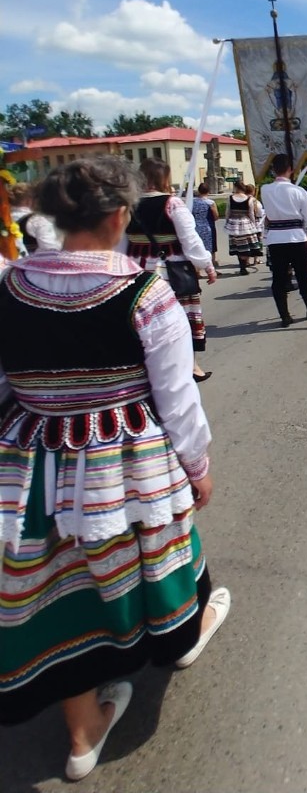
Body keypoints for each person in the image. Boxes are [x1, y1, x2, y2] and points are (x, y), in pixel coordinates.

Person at [0, 156, 229, 782]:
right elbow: (178, 397)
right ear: (122, 213)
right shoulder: (144, 293)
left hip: (31, 461)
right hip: (121, 459)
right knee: (158, 547)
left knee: (54, 580)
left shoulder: (9, 285)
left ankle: (81, 734)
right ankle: (182, 633)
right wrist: (197, 464)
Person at [125, 158, 216, 384]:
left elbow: (120, 241)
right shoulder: (172, 204)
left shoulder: (128, 204)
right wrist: (207, 264)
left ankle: (148, 365)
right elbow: (190, 240)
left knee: (143, 318)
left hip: (136, 268)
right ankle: (190, 366)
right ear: (164, 178)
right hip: (169, 269)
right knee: (179, 316)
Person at [260, 154, 307, 327]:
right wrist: (299, 226)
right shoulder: (299, 192)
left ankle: (285, 316)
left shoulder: (265, 189)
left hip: (275, 239)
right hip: (296, 237)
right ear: (291, 170)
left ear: (273, 169)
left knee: (279, 278)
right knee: (303, 275)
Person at [8, 182, 62, 255]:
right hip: (32, 263)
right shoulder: (37, 220)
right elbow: (50, 248)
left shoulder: (5, 219)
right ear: (29, 200)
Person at [224, 180, 263, 275]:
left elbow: (228, 212)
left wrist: (227, 221)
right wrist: (253, 224)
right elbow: (250, 213)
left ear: (236, 188)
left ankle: (242, 266)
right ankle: (243, 267)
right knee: (245, 246)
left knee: (238, 246)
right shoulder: (249, 199)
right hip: (245, 222)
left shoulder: (230, 198)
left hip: (234, 223)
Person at [191, 182, 219, 267]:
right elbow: (216, 216)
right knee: (211, 248)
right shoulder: (210, 202)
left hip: (196, 227)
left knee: (198, 248)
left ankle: (197, 270)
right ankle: (211, 267)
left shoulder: (193, 202)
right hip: (208, 227)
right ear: (208, 191)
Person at [243, 183, 265, 267]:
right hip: (256, 224)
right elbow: (259, 212)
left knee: (247, 242)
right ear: (253, 191)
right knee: (257, 242)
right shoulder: (255, 201)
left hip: (245, 224)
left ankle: (247, 260)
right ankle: (256, 259)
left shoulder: (242, 200)